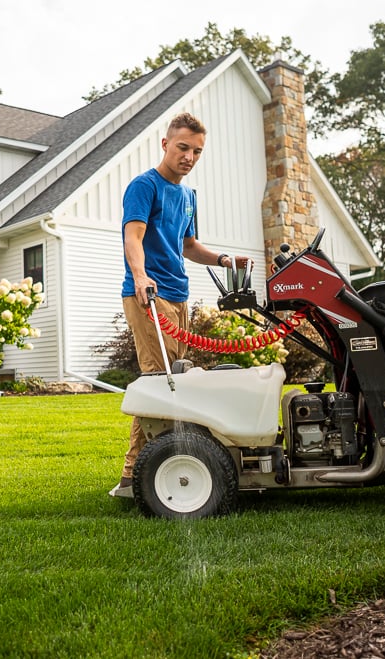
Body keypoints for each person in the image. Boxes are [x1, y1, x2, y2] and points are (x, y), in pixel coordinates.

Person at [110, 112, 251, 498]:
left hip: (178, 295)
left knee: (173, 380)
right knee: (157, 381)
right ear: (166, 145)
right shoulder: (145, 186)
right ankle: (133, 475)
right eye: (183, 147)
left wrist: (224, 259)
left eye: (197, 151)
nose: (189, 156)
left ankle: (148, 468)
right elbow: (133, 237)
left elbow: (188, 247)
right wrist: (140, 277)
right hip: (147, 295)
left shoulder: (188, 196)